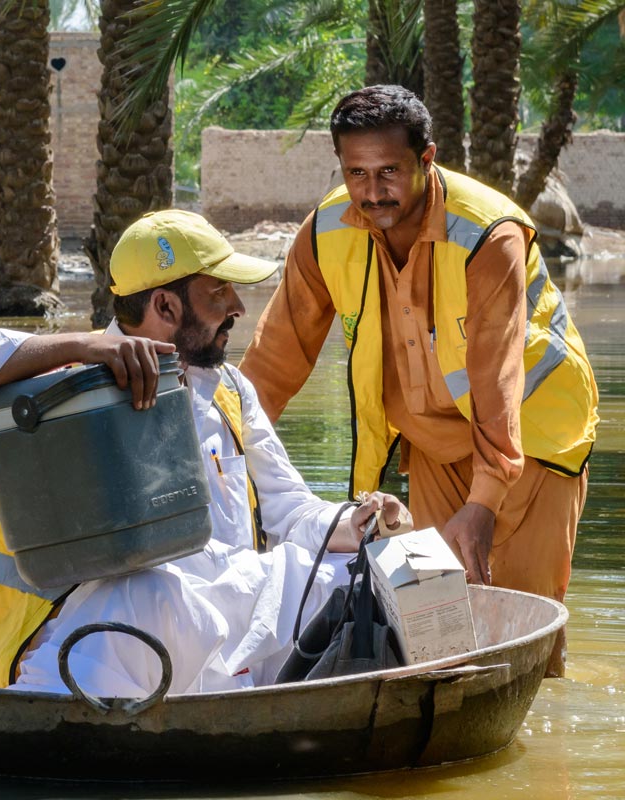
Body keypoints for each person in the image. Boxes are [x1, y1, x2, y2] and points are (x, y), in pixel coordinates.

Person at [0, 209, 407, 698]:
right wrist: (87, 349)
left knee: (357, 573)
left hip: (212, 608)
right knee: (154, 592)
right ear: (165, 306)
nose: (237, 306)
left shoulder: (231, 391)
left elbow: (293, 511)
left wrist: (361, 520)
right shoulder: (65, 386)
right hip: (80, 631)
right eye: (219, 292)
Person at [238, 85, 599, 676]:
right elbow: (272, 364)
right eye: (356, 173)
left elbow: (498, 377)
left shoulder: (487, 232)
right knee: (432, 634)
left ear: (427, 160)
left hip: (533, 438)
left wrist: (483, 503)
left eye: (389, 172)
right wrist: (231, 459)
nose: (372, 192)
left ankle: (540, 742)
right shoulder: (326, 231)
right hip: (431, 447)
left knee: (528, 631)